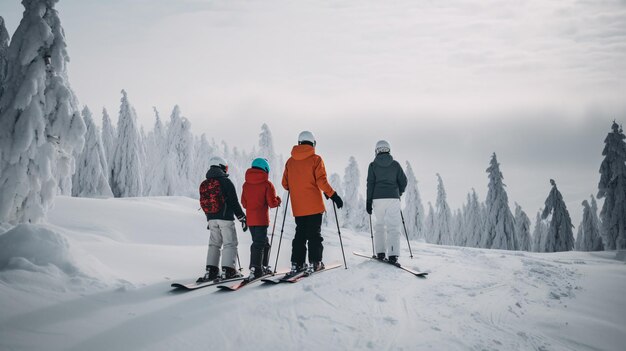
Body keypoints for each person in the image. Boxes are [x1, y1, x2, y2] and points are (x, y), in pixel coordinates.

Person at [282, 131, 343, 275]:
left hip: (298, 208)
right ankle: (315, 263)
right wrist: (332, 195)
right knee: (314, 235)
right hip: (314, 207)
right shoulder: (316, 159)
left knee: (300, 235)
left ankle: (297, 264)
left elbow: (285, 184)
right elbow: (321, 181)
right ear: (313, 143)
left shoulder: (290, 162)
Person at [197, 156, 248, 283]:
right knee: (229, 243)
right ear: (221, 167)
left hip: (211, 219)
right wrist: (241, 217)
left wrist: (209, 219)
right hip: (225, 218)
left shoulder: (205, 183)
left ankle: (211, 271)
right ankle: (228, 270)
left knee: (214, 244)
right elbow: (233, 202)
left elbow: (205, 203)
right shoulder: (226, 182)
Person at [366, 140, 407, 266]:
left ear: (377, 150)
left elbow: (370, 184)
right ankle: (393, 255)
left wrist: (368, 202)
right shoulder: (395, 165)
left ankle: (380, 253)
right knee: (393, 227)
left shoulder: (372, 165)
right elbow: (404, 181)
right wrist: (399, 192)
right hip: (393, 199)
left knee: (380, 225)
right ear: (388, 150)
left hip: (377, 199)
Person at [241, 158, 282, 280]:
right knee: (259, 244)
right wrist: (278, 200)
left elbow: (243, 203)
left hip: (251, 220)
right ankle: (256, 269)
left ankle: (262, 266)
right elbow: (272, 203)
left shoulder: (245, 184)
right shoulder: (267, 184)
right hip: (261, 220)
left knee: (263, 242)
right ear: (265, 169)